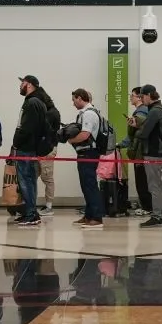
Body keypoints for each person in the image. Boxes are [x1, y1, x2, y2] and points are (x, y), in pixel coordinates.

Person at [12, 75, 53, 227]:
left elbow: (27, 128)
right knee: (29, 181)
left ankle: (30, 214)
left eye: (22, 82)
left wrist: (16, 144)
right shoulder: (37, 102)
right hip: (30, 148)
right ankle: (30, 212)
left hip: (26, 149)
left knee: (26, 182)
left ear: (28, 84)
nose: (20, 85)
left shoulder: (32, 102)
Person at [69, 88, 104, 229]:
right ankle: (89, 215)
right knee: (86, 185)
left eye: (73, 100)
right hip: (85, 152)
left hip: (89, 153)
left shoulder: (89, 114)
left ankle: (96, 217)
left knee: (90, 185)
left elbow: (85, 135)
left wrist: (70, 140)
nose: (73, 103)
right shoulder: (86, 113)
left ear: (80, 98)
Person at [136, 84, 162, 228]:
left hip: (152, 153)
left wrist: (137, 130)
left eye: (142, 96)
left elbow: (143, 133)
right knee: (158, 185)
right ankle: (161, 215)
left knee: (153, 186)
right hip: (159, 153)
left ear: (149, 95)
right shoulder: (160, 109)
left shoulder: (155, 111)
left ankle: (157, 216)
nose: (141, 100)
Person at [121, 87, 152, 216]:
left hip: (141, 152)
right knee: (142, 180)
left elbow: (137, 133)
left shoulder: (142, 112)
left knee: (142, 180)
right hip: (140, 150)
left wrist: (123, 143)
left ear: (139, 97)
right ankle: (146, 205)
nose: (130, 97)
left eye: (132, 95)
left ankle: (147, 207)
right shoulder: (140, 111)